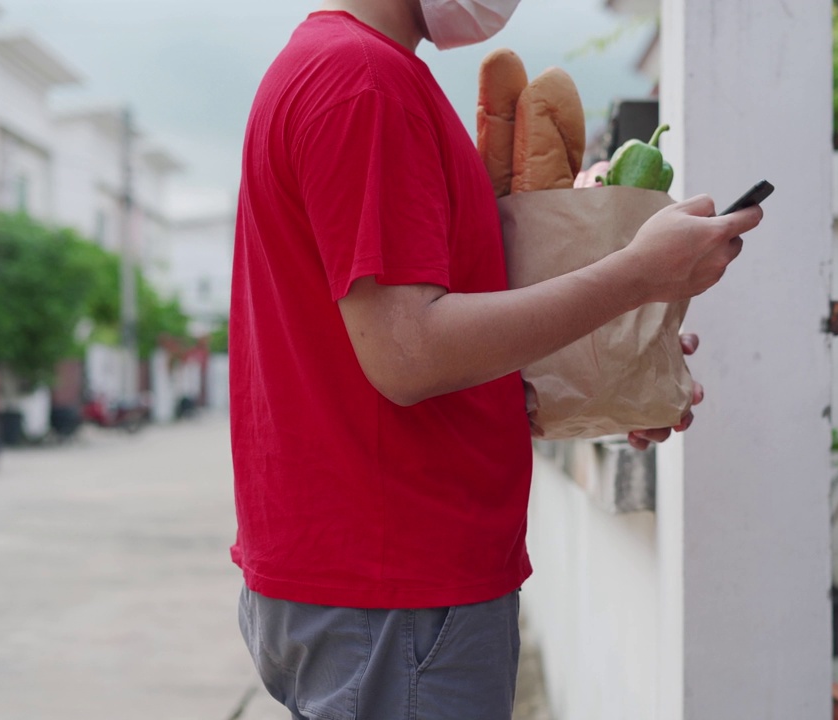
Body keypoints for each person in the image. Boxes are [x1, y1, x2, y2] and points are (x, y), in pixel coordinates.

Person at [229, 0, 764, 718]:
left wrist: (602, 383)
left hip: (384, 588)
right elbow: (410, 353)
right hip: (398, 590)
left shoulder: (365, 73)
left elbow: (393, 357)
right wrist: (640, 275)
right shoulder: (364, 82)